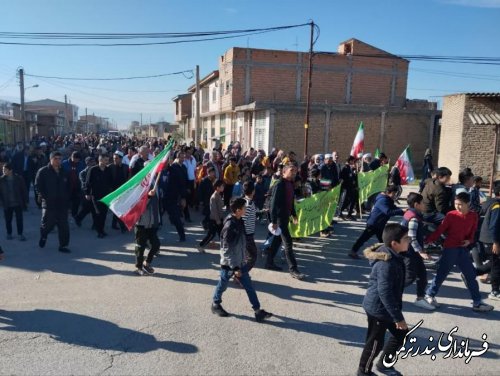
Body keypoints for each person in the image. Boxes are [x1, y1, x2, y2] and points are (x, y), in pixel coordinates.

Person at [424, 192, 494, 312]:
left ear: (468, 204)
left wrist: (469, 241)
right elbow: (440, 229)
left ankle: (477, 303)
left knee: (471, 276)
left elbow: (472, 232)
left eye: (460, 204)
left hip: (462, 250)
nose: (457, 207)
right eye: (456, 204)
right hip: (450, 249)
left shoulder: (473, 216)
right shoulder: (451, 215)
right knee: (441, 274)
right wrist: (429, 240)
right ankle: (429, 295)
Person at [357, 224, 410, 376]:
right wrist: (398, 318)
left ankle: (384, 364)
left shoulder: (395, 253)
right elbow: (385, 293)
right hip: (379, 309)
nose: (409, 241)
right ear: (394, 243)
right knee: (375, 343)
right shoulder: (386, 264)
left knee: (402, 334)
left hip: (387, 308)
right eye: (406, 239)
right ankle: (363, 371)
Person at [211, 197, 273, 323]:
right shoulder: (230, 226)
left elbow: (240, 242)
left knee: (249, 286)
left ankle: (257, 311)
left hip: (239, 261)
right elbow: (226, 249)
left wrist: (243, 258)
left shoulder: (239, 221)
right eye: (244, 208)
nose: (246, 210)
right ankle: (215, 304)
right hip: (230, 264)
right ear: (238, 210)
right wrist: (235, 267)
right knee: (222, 284)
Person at [268, 163, 305, 279]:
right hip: (279, 219)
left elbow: (291, 201)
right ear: (284, 172)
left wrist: (294, 215)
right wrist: (274, 221)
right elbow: (273, 204)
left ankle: (269, 262)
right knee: (288, 242)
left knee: (277, 240)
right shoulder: (279, 184)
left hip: (285, 217)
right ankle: (293, 269)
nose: (293, 173)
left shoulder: (290, 184)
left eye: (295, 171)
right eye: (291, 171)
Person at [349, 185, 405, 259]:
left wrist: (404, 212)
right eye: (394, 194)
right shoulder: (383, 200)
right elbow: (388, 211)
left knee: (384, 240)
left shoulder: (387, 199)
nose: (395, 195)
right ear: (388, 192)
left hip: (380, 224)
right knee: (363, 238)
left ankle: (390, 254)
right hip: (373, 223)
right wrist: (401, 211)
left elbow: (393, 208)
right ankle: (353, 251)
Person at [400, 193, 435, 310]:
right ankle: (389, 293)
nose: (424, 205)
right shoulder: (414, 218)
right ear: (416, 204)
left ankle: (420, 298)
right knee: (409, 277)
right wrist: (420, 252)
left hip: (413, 252)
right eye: (422, 203)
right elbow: (412, 237)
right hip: (410, 252)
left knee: (422, 275)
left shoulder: (410, 213)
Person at [34, 151, 71, 253]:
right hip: (49, 203)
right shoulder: (43, 171)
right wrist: (44, 197)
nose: (58, 161)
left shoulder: (64, 171)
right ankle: (44, 236)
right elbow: (38, 186)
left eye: (60, 159)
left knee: (64, 226)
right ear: (50, 159)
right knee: (47, 224)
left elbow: (68, 187)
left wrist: (68, 201)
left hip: (62, 204)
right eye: (56, 159)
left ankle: (63, 245)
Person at [133, 184, 161, 276]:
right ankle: (139, 267)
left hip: (152, 223)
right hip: (141, 224)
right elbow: (139, 204)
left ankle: (147, 263)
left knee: (156, 245)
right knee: (140, 247)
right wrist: (148, 196)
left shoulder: (155, 186)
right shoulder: (139, 188)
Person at [478, 185, 500, 300]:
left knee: (493, 263)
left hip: (489, 239)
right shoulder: (497, 206)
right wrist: (496, 242)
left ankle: (470, 273)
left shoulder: (493, 202)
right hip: (492, 240)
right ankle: (495, 292)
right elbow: (494, 226)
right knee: (496, 265)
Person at [85, 154, 113, 238]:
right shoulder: (93, 170)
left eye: (107, 160)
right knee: (98, 213)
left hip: (106, 195)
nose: (107, 162)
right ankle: (99, 231)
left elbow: (110, 181)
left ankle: (102, 229)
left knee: (104, 213)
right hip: (95, 195)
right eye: (105, 160)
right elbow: (88, 182)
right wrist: (87, 193)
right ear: (100, 160)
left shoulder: (108, 170)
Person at [162, 152, 187, 242]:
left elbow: (182, 184)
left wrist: (183, 198)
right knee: (156, 221)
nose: (164, 163)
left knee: (176, 218)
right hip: (160, 199)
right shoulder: (158, 172)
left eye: (166, 161)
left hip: (171, 199)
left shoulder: (174, 171)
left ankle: (182, 235)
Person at [0, 163, 27, 241]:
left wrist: (25, 201)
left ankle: (20, 234)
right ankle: (9, 233)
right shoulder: (1, 180)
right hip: (7, 204)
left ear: (10, 170)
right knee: (8, 220)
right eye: (2, 170)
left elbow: (24, 190)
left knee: (19, 219)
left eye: (5, 170)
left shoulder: (19, 178)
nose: (3, 171)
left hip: (17, 203)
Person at [198, 180, 224, 252]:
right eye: (222, 186)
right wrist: (217, 220)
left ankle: (225, 248)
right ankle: (201, 245)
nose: (223, 187)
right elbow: (213, 210)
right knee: (211, 234)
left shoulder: (219, 195)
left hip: (220, 218)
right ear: (217, 187)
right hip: (215, 220)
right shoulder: (214, 197)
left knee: (222, 234)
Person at [109, 151, 129, 232]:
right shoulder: (110, 167)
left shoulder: (125, 167)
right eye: (114, 158)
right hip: (114, 191)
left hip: (123, 190)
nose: (115, 160)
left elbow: (128, 178)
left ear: (121, 159)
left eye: (116, 158)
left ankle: (114, 224)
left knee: (118, 208)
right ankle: (122, 227)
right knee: (117, 208)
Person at [61, 151, 85, 220]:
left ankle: (74, 215)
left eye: (78, 159)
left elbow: (83, 173)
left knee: (76, 201)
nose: (76, 160)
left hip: (77, 186)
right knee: (66, 201)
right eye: (75, 158)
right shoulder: (64, 163)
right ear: (71, 157)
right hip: (67, 186)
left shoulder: (81, 164)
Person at [242, 181, 259, 271]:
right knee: (253, 256)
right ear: (253, 191)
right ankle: (241, 274)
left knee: (247, 256)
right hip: (247, 235)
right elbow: (243, 220)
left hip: (248, 234)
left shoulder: (248, 201)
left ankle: (240, 273)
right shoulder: (248, 204)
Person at [339, 156, 358, 221]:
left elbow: (353, 177)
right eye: (352, 160)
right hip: (346, 187)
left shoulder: (351, 168)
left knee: (351, 200)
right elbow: (342, 177)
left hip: (352, 187)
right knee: (345, 201)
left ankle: (349, 214)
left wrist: (355, 172)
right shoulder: (344, 167)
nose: (353, 162)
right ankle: (340, 212)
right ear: (349, 161)